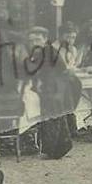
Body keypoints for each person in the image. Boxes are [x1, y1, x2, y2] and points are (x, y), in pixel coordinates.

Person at [26, 26, 81, 159]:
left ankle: (55, 148)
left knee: (52, 116)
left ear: (45, 39)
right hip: (48, 86)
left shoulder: (49, 51)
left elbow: (60, 69)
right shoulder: (38, 51)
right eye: (32, 40)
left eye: (37, 39)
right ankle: (57, 148)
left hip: (53, 87)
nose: (34, 43)